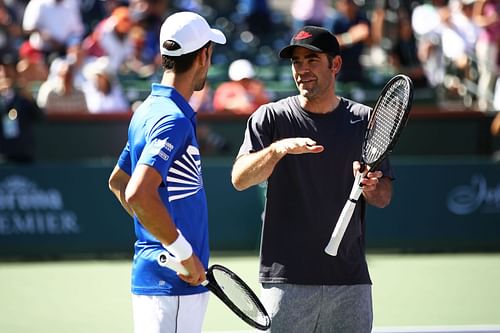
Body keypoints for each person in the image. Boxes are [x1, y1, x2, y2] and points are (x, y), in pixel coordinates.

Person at [231, 26, 394, 332]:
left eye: (312, 60)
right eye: (296, 62)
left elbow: (384, 197)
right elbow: (240, 179)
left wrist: (372, 186)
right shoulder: (269, 118)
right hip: (287, 281)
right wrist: (278, 149)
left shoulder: (365, 120)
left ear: (336, 65)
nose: (302, 69)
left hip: (350, 282)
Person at [107, 11, 226, 333]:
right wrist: (182, 253)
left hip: (164, 282)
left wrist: (156, 236)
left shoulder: (147, 110)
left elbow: (118, 182)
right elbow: (136, 192)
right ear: (204, 56)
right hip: (173, 285)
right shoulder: (173, 119)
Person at [0, 53, 44, 164]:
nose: (5, 74)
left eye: (9, 70)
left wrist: (28, 97)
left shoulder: (23, 96)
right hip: (3, 151)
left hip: (23, 151)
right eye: (2, 70)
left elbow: (40, 117)